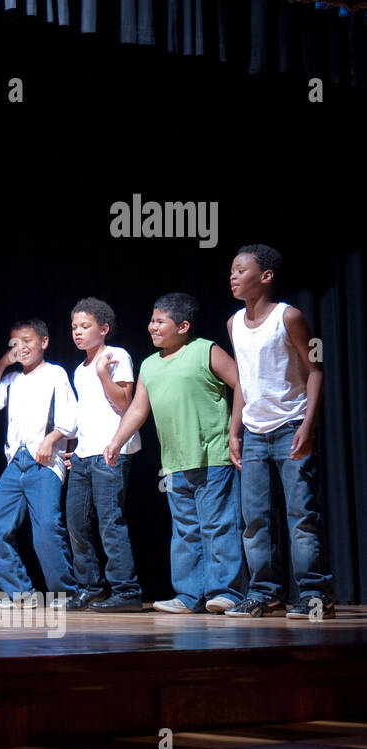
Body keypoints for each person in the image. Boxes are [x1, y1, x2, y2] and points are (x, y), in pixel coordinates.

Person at [105, 293, 246, 614]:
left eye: (160, 321)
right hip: (175, 461)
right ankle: (189, 595)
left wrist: (234, 430)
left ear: (183, 326)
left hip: (213, 455)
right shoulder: (150, 364)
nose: (152, 326)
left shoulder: (204, 350)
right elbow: (139, 408)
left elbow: (242, 384)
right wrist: (116, 441)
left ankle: (225, 592)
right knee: (185, 531)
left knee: (218, 525)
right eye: (152, 320)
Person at [226, 245, 333, 619]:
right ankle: (264, 592)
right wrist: (234, 427)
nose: (233, 276)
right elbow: (241, 379)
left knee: (301, 515)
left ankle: (315, 593)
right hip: (254, 430)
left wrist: (308, 424)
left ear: (266, 276)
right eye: (232, 271)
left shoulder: (289, 317)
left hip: (289, 426)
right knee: (254, 519)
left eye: (241, 270)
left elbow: (316, 369)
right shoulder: (234, 323)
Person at [0, 318, 79, 608]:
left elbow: (70, 420)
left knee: (46, 529)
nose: (20, 348)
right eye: (14, 344)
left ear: (44, 342)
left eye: (27, 342)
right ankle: (21, 594)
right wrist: (2, 363)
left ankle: (66, 593)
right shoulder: (12, 380)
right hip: (16, 461)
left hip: (44, 461)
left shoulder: (55, 374)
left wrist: (50, 440)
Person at [65, 298, 143, 612]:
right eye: (74, 327)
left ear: (104, 328)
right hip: (84, 454)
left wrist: (103, 374)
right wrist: (73, 451)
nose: (78, 332)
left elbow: (126, 403)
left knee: (110, 522)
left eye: (85, 326)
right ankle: (89, 587)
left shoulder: (115, 356)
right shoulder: (77, 368)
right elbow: (85, 413)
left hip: (112, 450)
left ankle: (126, 591)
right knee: (76, 522)